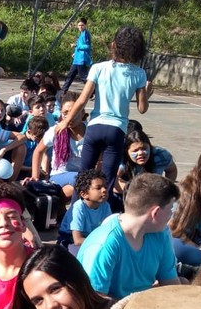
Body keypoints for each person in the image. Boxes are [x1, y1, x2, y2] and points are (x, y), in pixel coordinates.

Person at [59, 25, 154, 195]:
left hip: (95, 127)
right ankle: (103, 209)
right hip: (116, 130)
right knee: (107, 181)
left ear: (114, 45)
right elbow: (142, 108)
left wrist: (65, 121)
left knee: (83, 176)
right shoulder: (139, 74)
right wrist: (147, 94)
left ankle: (75, 208)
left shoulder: (98, 67)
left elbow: (82, 99)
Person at [77, 172, 180, 300]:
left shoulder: (161, 234)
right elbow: (95, 300)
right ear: (155, 212)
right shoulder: (104, 244)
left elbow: (171, 285)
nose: (171, 215)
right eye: (171, 209)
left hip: (141, 303)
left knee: (184, 284)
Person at [28, 91, 86, 201]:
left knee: (82, 186)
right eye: (65, 113)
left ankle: (60, 205)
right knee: (83, 182)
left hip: (82, 176)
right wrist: (35, 176)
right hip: (59, 176)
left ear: (82, 112)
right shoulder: (56, 131)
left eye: (74, 112)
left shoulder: (91, 131)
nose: (69, 117)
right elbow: (38, 151)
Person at [168, 145, 201, 267]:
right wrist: (198, 248)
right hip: (188, 240)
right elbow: (172, 228)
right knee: (176, 248)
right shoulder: (187, 192)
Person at [58, 168, 111, 255]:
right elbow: (77, 240)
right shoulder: (79, 208)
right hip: (70, 240)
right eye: (98, 188)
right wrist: (100, 242)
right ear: (84, 194)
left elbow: (108, 231)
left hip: (91, 239)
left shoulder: (105, 206)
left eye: (105, 187)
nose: (104, 190)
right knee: (83, 257)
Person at [115, 127, 177, 200]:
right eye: (135, 150)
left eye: (144, 148)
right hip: (126, 194)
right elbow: (113, 181)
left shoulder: (161, 155)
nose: (141, 153)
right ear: (127, 152)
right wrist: (134, 192)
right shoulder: (120, 159)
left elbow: (172, 170)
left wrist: (166, 188)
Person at [61, 18, 92, 93]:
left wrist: (76, 45)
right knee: (70, 75)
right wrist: (75, 53)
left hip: (81, 60)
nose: (80, 27)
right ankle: (63, 91)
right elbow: (81, 46)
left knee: (83, 77)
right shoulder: (82, 34)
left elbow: (87, 46)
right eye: (79, 25)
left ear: (85, 25)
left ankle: (93, 91)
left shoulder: (85, 34)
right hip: (77, 59)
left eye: (82, 25)